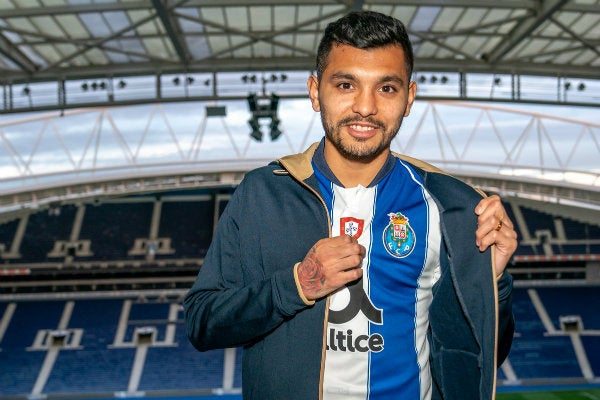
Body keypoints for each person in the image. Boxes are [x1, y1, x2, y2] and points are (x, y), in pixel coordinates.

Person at [184, 10, 517, 400]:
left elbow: (475, 355)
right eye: (345, 84)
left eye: (387, 89)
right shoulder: (262, 192)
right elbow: (202, 323)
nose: (365, 107)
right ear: (314, 91)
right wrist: (298, 284)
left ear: (408, 98)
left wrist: (490, 285)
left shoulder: (450, 204)